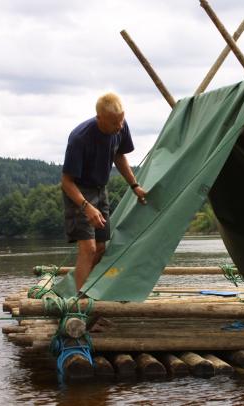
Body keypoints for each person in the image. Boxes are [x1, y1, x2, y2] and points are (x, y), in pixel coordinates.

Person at [62, 92, 147, 292]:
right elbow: (66, 182)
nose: (119, 127)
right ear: (99, 118)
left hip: (101, 189)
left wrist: (135, 186)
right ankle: (81, 307)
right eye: (114, 123)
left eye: (121, 121)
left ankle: (88, 292)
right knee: (88, 249)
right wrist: (86, 207)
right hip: (79, 193)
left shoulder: (120, 125)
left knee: (100, 248)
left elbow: (119, 156)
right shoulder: (79, 138)